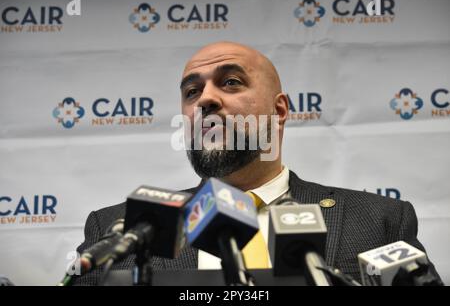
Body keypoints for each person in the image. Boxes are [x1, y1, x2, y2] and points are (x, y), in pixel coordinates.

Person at [72, 41, 440, 285]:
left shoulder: (379, 220)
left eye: (230, 82)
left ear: (279, 110)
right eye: (191, 91)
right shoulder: (119, 229)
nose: (205, 100)